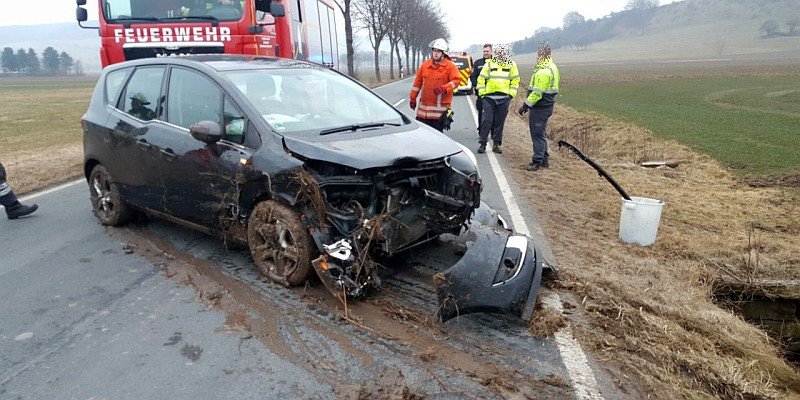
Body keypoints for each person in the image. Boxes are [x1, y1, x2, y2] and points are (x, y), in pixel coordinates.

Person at [518, 42, 560, 171]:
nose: (536, 57)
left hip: (540, 107)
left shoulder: (544, 72)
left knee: (537, 134)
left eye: (537, 54)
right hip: (546, 106)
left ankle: (537, 161)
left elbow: (537, 93)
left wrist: (525, 105)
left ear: (542, 56)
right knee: (540, 133)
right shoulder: (552, 67)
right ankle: (544, 159)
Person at [409, 38, 461, 132]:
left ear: (443, 53)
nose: (435, 53)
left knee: (436, 138)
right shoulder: (425, 65)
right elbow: (417, 83)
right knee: (421, 137)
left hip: (439, 114)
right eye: (434, 50)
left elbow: (456, 81)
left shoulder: (450, 66)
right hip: (423, 112)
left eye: (438, 51)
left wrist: (444, 88)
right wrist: (413, 98)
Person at [476, 43, 519, 154]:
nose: (501, 54)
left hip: (504, 98)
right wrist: (482, 93)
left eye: (503, 52)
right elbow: (481, 79)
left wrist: (511, 94)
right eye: (499, 52)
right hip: (489, 97)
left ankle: (496, 144)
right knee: (486, 120)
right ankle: (483, 144)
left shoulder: (511, 65)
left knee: (499, 122)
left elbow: (515, 81)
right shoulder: (489, 64)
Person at [469, 44, 492, 134]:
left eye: (487, 51)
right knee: (481, 112)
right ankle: (481, 130)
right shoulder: (477, 63)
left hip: (492, 93)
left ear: (491, 52)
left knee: (492, 114)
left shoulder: (496, 63)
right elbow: (473, 76)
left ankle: (492, 131)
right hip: (481, 93)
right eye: (484, 51)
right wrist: (476, 86)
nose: (485, 53)